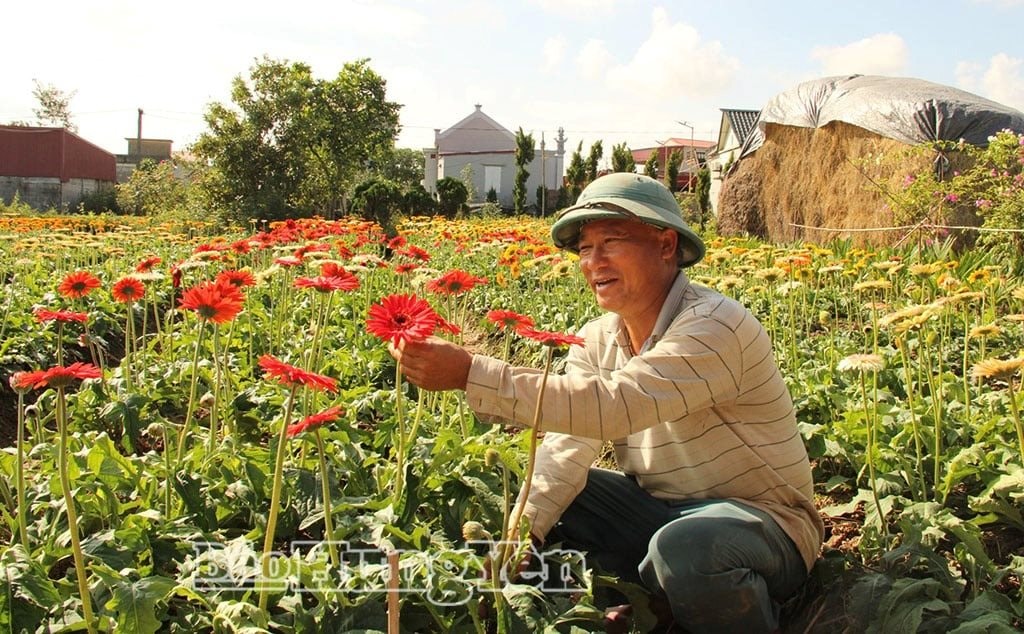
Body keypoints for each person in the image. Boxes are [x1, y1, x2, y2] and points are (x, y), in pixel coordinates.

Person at [390, 173, 824, 633]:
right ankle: (619, 606)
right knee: (549, 494)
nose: (593, 261)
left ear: (665, 245)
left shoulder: (716, 325)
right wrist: (520, 539)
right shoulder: (596, 338)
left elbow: (616, 405)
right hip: (656, 515)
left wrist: (470, 373)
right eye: (583, 248)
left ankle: (747, 609)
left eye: (612, 241)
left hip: (762, 526)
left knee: (689, 549)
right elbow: (567, 444)